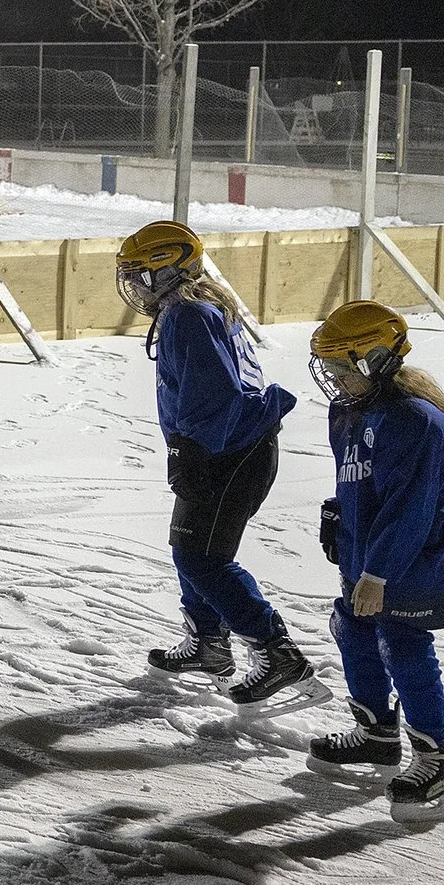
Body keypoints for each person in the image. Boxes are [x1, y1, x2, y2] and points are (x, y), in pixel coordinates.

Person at [118, 220, 313, 704]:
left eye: (142, 274)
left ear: (168, 271)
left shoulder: (188, 314)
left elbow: (214, 393)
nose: (135, 286)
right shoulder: (190, 308)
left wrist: (191, 450)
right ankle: (208, 641)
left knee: (202, 557)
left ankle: (276, 650)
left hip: (229, 451)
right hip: (224, 446)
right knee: (187, 546)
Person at [306, 301, 444, 822]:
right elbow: (360, 483)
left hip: (411, 559)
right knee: (352, 630)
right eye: (328, 367)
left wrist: (378, 573)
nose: (334, 379)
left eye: (342, 367)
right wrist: (340, 521)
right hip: (366, 553)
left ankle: (436, 759)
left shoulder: (419, 420)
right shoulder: (350, 412)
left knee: (401, 644)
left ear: (377, 359)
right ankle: (376, 732)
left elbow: (410, 505)